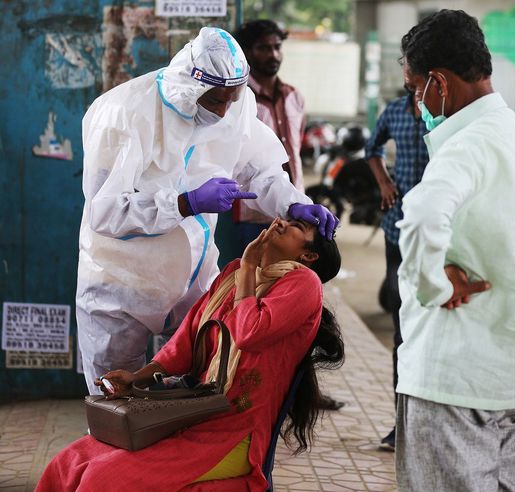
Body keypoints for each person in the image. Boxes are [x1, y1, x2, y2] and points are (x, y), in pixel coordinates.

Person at [76, 27, 338, 395]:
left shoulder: (236, 102)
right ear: (191, 86)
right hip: (120, 285)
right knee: (114, 399)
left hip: (194, 282)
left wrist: (292, 202)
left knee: (198, 394)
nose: (225, 111)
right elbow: (104, 213)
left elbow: (260, 169)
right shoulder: (122, 113)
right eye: (216, 101)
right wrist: (185, 202)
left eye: (233, 99)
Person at [38, 218, 343, 491]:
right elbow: (186, 342)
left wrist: (250, 267)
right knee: (69, 462)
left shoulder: (304, 283)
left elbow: (248, 332)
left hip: (232, 432)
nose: (283, 222)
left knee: (103, 480)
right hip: (191, 415)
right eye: (291, 218)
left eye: (298, 228)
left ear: (308, 255)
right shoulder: (234, 272)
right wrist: (135, 379)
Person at [394, 10, 515, 491]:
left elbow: (422, 218)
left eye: (415, 88)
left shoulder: (467, 146)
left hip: (448, 377)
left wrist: (434, 285)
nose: (416, 102)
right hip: (507, 378)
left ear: (439, 84)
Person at [364, 91, 428, 451]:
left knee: (429, 332)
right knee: (403, 333)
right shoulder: (394, 111)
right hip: (398, 228)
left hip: (436, 234)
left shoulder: (444, 112)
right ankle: (401, 427)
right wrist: (384, 183)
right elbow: (371, 149)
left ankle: (425, 426)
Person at [216, 20, 307, 263]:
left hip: (291, 210)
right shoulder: (237, 101)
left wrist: (295, 202)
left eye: (277, 47)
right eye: (264, 48)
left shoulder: (294, 97)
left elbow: (296, 148)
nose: (273, 54)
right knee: (245, 279)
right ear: (247, 52)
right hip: (249, 214)